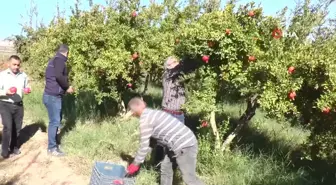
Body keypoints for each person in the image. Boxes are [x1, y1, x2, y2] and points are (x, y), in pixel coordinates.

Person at [126, 97, 205, 185]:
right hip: (176, 144)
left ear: (133, 111)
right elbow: (152, 141)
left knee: (189, 179)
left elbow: (143, 147)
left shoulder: (145, 120)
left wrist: (134, 165)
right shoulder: (152, 113)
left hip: (185, 145)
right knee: (166, 169)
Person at [43, 44, 74, 157]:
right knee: (55, 122)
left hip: (52, 96)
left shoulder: (55, 60)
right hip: (53, 97)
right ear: (66, 52)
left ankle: (54, 144)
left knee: (56, 121)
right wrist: (67, 87)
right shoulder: (59, 60)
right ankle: (51, 148)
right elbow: (59, 77)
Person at [0, 55, 31, 159]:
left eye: (18, 65)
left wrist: (27, 90)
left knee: (17, 128)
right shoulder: (2, 75)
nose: (16, 67)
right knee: (8, 127)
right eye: (14, 64)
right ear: (9, 64)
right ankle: (4, 150)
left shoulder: (23, 75)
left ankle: (14, 147)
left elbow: (27, 86)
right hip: (5, 104)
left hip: (19, 105)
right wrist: (6, 92)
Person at [162, 56, 186, 123]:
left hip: (179, 115)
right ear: (169, 65)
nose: (178, 63)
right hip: (168, 114)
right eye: (175, 62)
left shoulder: (180, 75)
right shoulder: (167, 75)